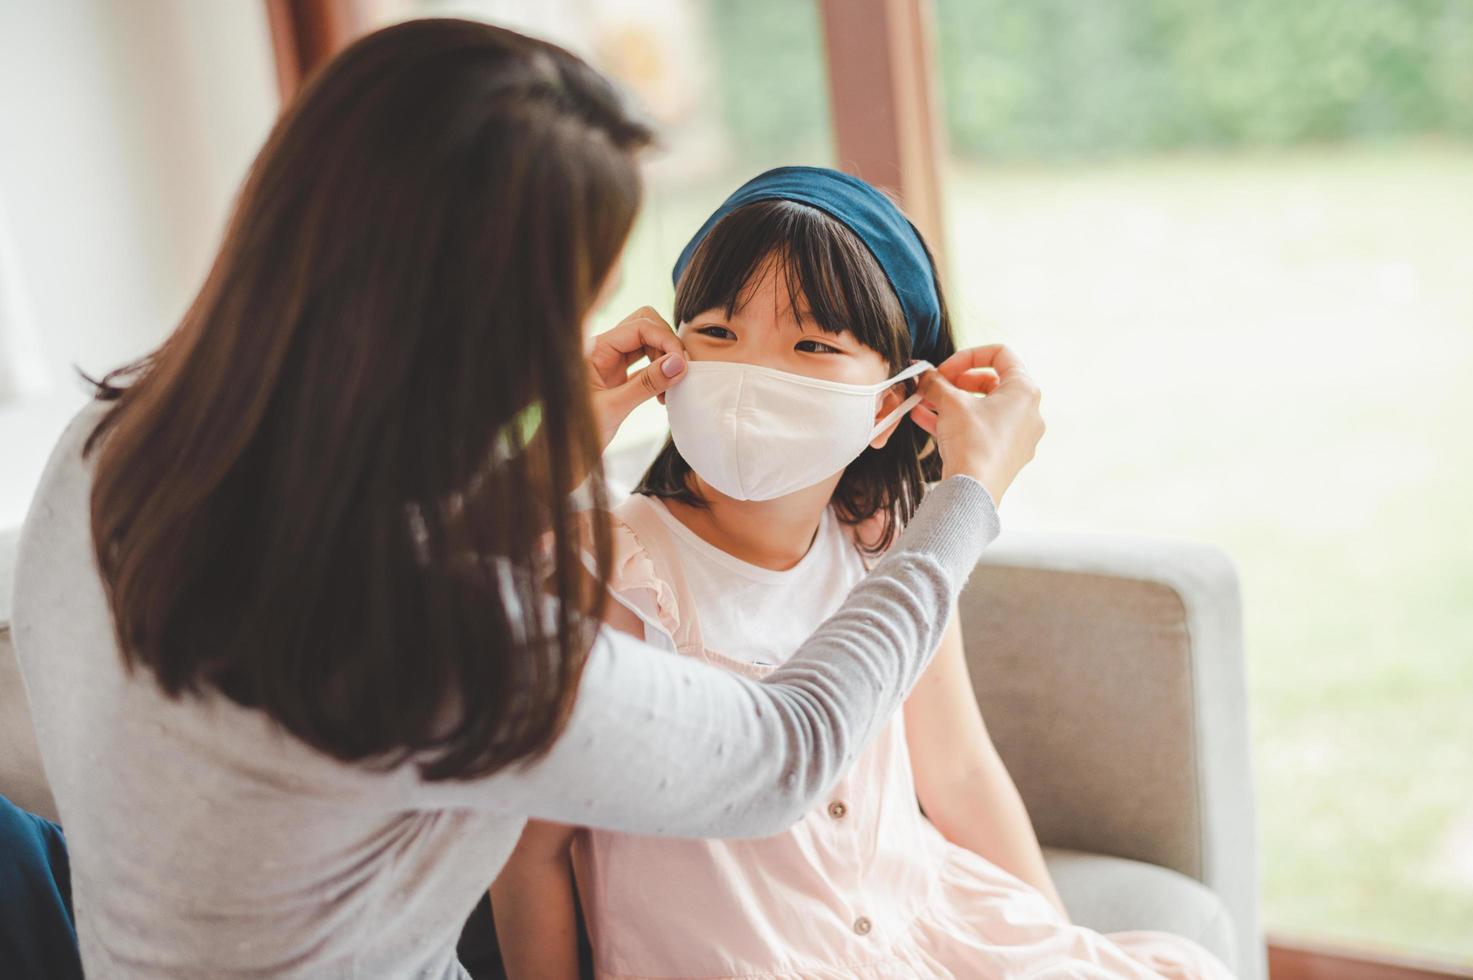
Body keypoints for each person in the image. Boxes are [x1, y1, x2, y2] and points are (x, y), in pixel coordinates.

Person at [9, 19, 1043, 980]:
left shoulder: (115, 440)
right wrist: (967, 498)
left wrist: (544, 463)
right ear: (487, 324)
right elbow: (785, 748)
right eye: (570, 299)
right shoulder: (446, 636)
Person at [490, 168, 1233, 980]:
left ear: (889, 402)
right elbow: (529, 849)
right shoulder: (609, 569)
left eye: (812, 345)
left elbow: (957, 769)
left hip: (920, 930)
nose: (752, 374)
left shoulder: (887, 543)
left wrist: (1055, 945)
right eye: (715, 331)